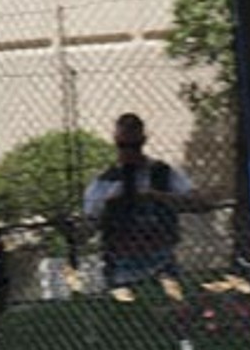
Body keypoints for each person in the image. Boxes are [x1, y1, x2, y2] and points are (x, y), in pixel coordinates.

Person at [82, 113, 198, 293]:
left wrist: (157, 196)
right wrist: (109, 206)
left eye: (134, 146)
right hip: (121, 263)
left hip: (162, 259)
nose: (128, 152)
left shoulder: (162, 172)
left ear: (143, 141)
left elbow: (198, 202)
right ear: (115, 142)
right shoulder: (104, 181)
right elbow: (89, 226)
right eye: (123, 146)